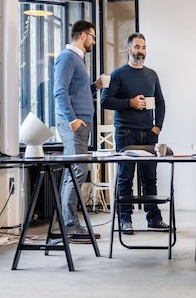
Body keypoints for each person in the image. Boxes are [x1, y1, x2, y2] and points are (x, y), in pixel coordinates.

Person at [101, 32, 169, 234]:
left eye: (144, 47)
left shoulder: (152, 75)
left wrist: (158, 126)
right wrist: (129, 102)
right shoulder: (118, 75)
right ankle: (125, 219)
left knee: (150, 178)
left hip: (149, 134)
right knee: (125, 178)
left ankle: (154, 219)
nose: (141, 51)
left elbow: (161, 102)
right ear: (128, 49)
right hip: (125, 133)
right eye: (137, 47)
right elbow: (105, 101)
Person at [53, 20, 103, 240]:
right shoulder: (67, 57)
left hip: (81, 123)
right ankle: (71, 226)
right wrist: (72, 120)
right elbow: (59, 91)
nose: (94, 41)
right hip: (74, 124)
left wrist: (95, 86)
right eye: (93, 37)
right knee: (78, 170)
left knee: (75, 171)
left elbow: (77, 90)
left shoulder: (78, 60)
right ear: (83, 35)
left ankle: (70, 223)